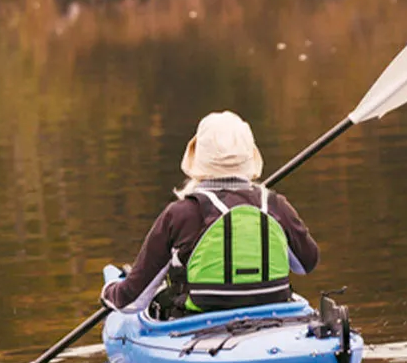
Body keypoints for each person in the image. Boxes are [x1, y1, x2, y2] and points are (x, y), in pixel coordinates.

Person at [101, 111, 318, 314]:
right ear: (250, 156)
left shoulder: (180, 214)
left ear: (198, 157)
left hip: (198, 324)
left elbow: (132, 301)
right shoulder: (275, 205)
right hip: (273, 314)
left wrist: (108, 291)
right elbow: (306, 264)